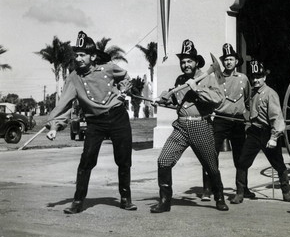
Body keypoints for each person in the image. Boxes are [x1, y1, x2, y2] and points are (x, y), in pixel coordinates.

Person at [45, 31, 136, 214]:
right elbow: (64, 104)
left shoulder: (108, 68)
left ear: (92, 56)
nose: (78, 59)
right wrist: (54, 126)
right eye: (76, 55)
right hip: (95, 122)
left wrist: (123, 89)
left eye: (82, 55)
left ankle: (126, 198)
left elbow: (126, 77)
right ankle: (78, 201)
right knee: (86, 160)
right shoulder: (74, 77)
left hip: (118, 117)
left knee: (123, 159)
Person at [151, 39, 229, 213]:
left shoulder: (207, 77)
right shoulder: (180, 79)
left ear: (196, 62)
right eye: (183, 62)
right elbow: (175, 97)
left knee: (211, 166)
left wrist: (197, 88)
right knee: (163, 161)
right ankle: (165, 201)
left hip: (200, 125)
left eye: (189, 61)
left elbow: (218, 99)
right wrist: (162, 98)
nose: (185, 65)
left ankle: (219, 197)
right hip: (181, 127)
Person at [231, 60, 290, 204]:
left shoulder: (270, 94)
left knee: (279, 164)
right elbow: (247, 109)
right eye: (253, 77)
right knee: (242, 162)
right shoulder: (252, 93)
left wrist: (273, 138)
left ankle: (286, 193)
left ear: (264, 77)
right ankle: (240, 193)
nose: (255, 80)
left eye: (259, 76)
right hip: (254, 133)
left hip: (268, 133)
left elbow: (276, 118)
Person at [201, 43, 255, 201]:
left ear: (236, 61)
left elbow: (248, 101)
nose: (228, 62)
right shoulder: (216, 78)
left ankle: (243, 189)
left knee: (241, 157)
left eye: (231, 59)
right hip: (220, 120)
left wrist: (248, 119)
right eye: (225, 59)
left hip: (237, 121)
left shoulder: (243, 79)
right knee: (211, 154)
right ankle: (208, 188)